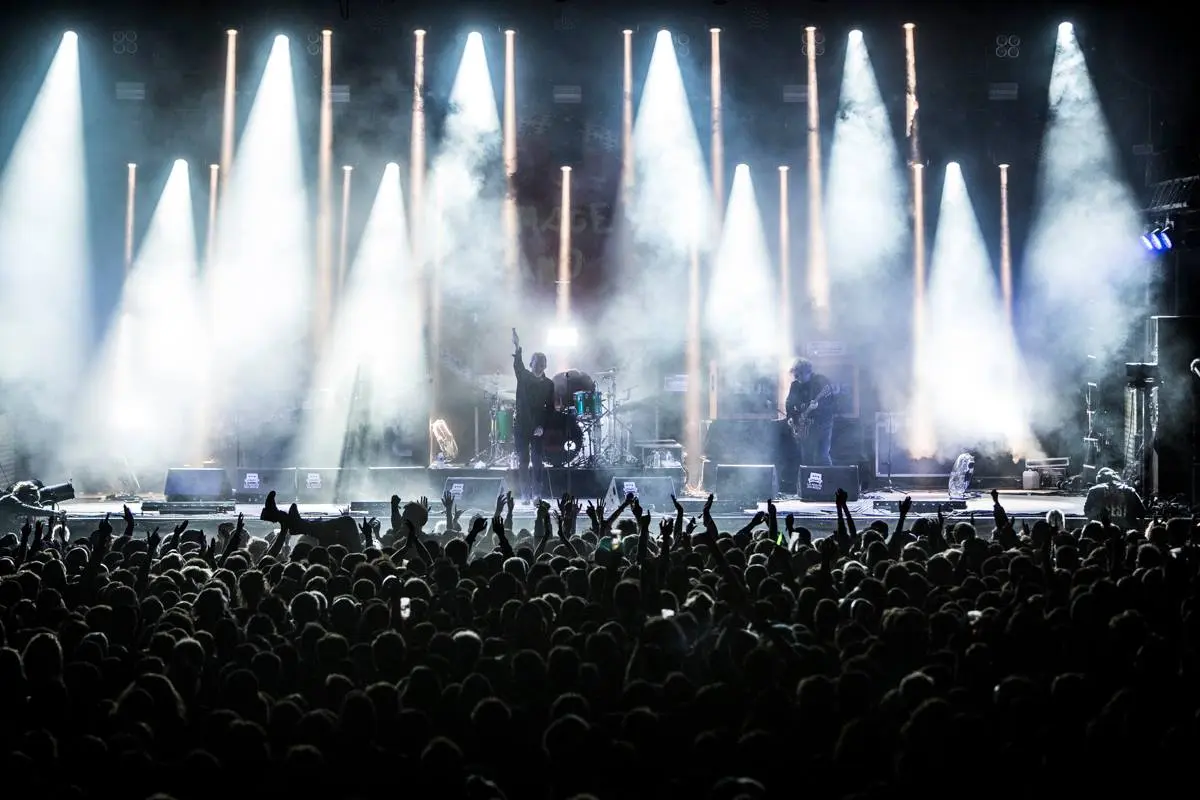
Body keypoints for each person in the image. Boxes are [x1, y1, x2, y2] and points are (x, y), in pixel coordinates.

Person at [512, 328, 555, 503]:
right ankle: (524, 494)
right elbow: (518, 365)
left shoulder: (549, 384)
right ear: (531, 364)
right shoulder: (524, 377)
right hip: (521, 425)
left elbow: (550, 409)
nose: (540, 366)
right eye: (537, 363)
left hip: (537, 428)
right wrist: (517, 346)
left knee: (537, 462)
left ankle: (537, 493)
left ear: (545, 365)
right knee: (523, 461)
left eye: (543, 363)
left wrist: (542, 427)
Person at [785, 357, 838, 469]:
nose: (796, 377)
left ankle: (829, 481)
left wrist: (819, 407)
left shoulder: (820, 382)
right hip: (803, 426)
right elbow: (789, 403)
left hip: (822, 424)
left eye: (799, 374)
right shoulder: (795, 385)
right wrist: (790, 417)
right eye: (795, 374)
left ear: (807, 372)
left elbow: (832, 404)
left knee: (822, 456)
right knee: (806, 458)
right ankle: (808, 484)